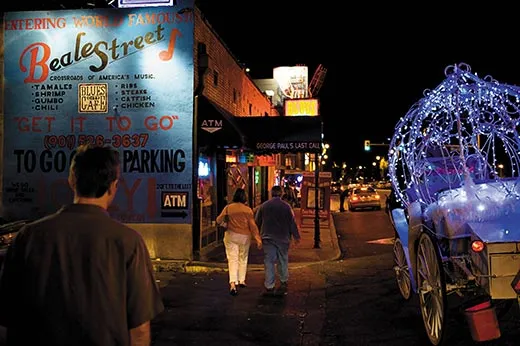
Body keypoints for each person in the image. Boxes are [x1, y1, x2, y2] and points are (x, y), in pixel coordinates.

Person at [0, 144, 164, 346]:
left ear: (71, 180)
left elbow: (8, 317)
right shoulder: (129, 242)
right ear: (113, 186)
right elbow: (139, 330)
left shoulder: (28, 237)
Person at [255, 185, 301, 296]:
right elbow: (292, 223)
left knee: (269, 261)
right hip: (283, 238)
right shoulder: (287, 207)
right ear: (281, 194)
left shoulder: (264, 206)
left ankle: (269, 284)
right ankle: (283, 279)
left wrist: (257, 236)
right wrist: (296, 236)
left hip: (268, 237)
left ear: (271, 194)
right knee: (283, 259)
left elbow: (257, 221)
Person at [217, 188, 262, 296]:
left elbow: (219, 220)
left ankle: (233, 283)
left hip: (231, 235)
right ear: (244, 198)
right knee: (243, 257)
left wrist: (226, 224)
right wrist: (257, 238)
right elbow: (252, 225)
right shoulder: (247, 210)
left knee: (233, 259)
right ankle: (242, 280)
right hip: (245, 237)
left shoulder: (228, 208)